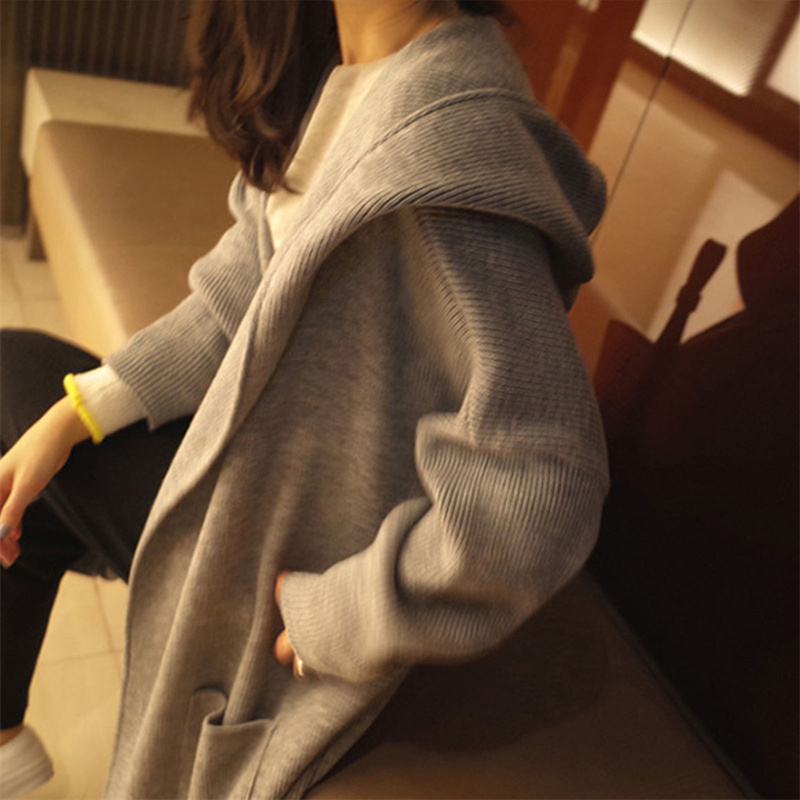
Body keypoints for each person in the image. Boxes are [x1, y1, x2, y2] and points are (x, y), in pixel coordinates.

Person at [0, 1, 609, 797]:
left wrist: (341, 615)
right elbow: (232, 302)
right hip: (269, 470)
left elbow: (541, 487)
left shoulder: (437, 158)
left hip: (302, 550)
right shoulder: (345, 79)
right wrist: (75, 414)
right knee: (20, 400)